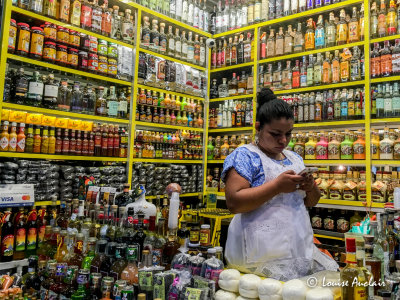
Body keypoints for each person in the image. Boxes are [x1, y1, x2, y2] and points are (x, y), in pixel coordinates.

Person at [221, 88, 338, 281]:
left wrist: (310, 187)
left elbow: (311, 202)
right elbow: (234, 202)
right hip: (259, 254)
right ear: (258, 127)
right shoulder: (245, 156)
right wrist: (276, 187)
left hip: (299, 247)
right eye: (275, 134)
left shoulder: (294, 158)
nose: (283, 140)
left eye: (288, 134)